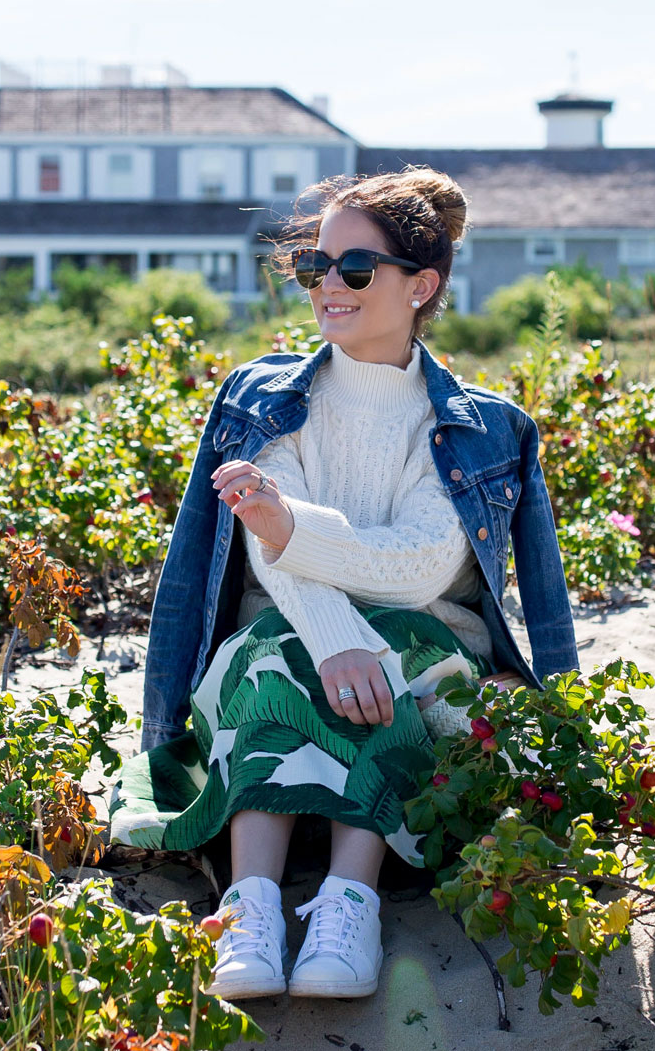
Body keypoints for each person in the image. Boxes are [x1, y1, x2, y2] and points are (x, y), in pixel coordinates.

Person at [108, 167, 580, 1001]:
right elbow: (263, 552)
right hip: (283, 633)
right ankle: (250, 906)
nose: (328, 285)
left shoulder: (479, 422)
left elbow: (421, 564)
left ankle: (348, 899)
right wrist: (331, 633)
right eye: (314, 266)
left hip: (429, 645)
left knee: (387, 652)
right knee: (273, 653)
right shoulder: (264, 396)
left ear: (421, 284)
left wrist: (296, 533)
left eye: (354, 269)